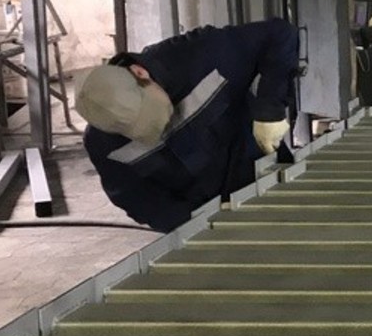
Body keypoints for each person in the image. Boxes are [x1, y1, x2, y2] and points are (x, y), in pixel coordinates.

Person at [77, 18, 299, 232]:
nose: (161, 128)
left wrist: (269, 112)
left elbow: (278, 35)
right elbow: (140, 201)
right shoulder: (104, 145)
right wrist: (195, 220)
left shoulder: (199, 55)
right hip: (206, 225)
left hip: (267, 180)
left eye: (154, 114)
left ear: (140, 73)